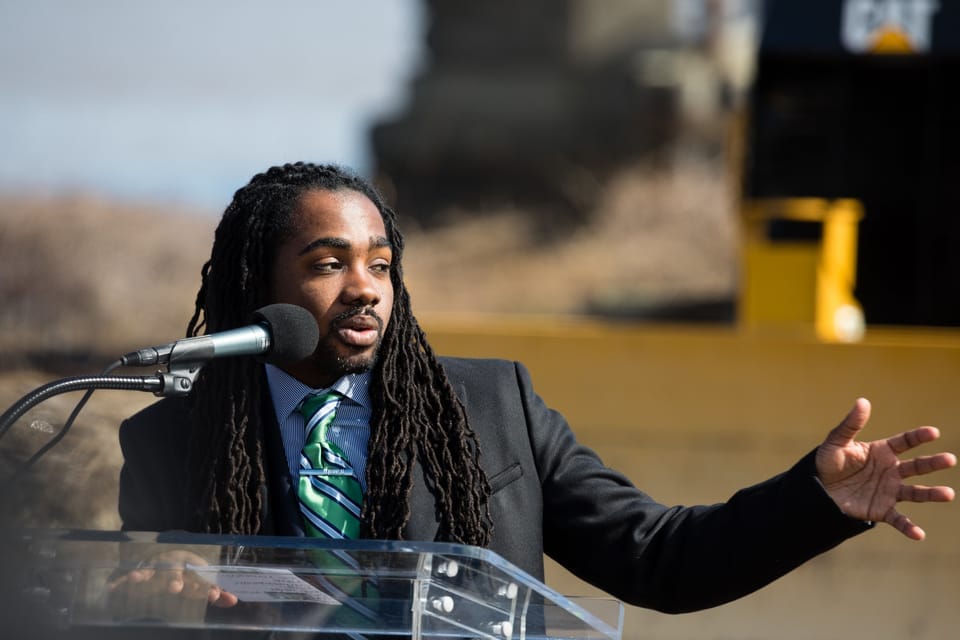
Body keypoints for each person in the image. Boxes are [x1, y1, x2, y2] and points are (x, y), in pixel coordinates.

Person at [118, 162, 956, 615]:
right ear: (254, 285)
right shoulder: (169, 441)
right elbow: (144, 601)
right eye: (328, 265)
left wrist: (816, 499)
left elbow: (660, 558)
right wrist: (152, 606)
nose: (367, 288)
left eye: (380, 264)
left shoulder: (492, 409)